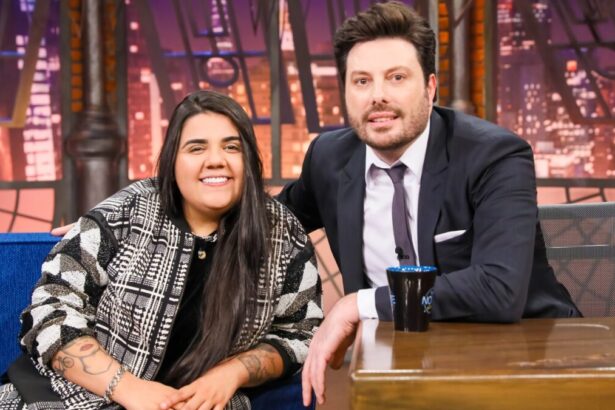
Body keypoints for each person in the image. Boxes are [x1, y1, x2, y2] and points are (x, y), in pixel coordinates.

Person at [273, 1, 582, 406]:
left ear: (431, 87)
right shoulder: (330, 158)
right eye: (361, 81)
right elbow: (272, 225)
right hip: (398, 365)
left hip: (524, 357)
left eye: (396, 77)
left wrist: (358, 304)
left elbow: (498, 289)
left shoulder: (494, 156)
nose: (378, 96)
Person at [0, 90, 323, 409]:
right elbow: (50, 310)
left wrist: (234, 372)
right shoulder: (125, 213)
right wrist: (127, 388)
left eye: (231, 147)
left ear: (249, 159)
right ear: (172, 161)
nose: (215, 160)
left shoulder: (280, 233)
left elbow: (303, 333)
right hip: (73, 395)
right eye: (196, 148)